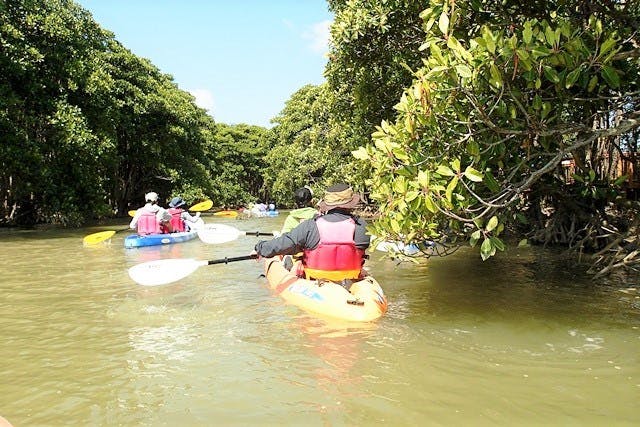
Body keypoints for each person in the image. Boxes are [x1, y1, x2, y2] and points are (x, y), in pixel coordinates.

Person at [254, 183, 369, 283]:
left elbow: (282, 245)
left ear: (327, 204)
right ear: (351, 204)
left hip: (316, 280)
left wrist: (260, 248)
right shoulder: (362, 226)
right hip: (351, 279)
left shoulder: (310, 226)